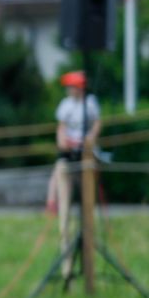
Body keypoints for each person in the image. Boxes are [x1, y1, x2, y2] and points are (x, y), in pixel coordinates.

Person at [48, 70, 100, 276]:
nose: (71, 89)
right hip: (68, 158)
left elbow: (96, 124)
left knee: (87, 209)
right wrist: (64, 142)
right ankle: (66, 267)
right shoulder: (65, 106)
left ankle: (89, 264)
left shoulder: (90, 104)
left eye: (74, 86)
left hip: (86, 158)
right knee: (65, 213)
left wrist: (90, 140)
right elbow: (60, 130)